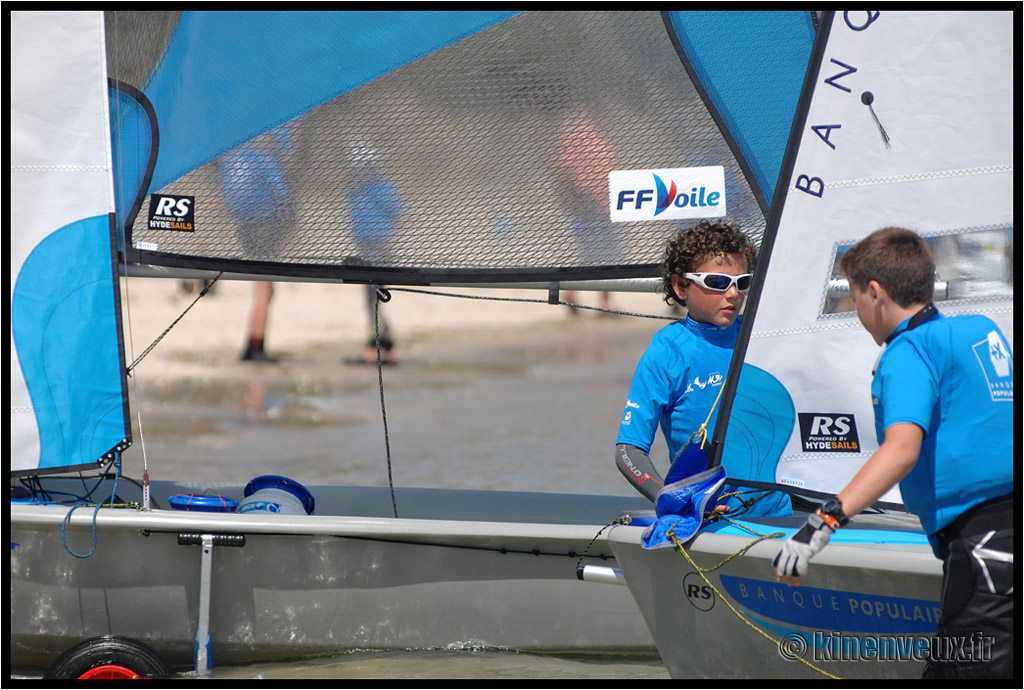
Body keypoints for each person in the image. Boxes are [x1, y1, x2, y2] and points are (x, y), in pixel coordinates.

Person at [773, 227, 1014, 679]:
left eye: (856, 297)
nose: (857, 310)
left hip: (986, 545)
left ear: (876, 292)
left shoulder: (908, 351)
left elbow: (902, 449)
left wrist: (824, 521)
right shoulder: (980, 330)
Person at [615, 219, 791, 517]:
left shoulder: (762, 338)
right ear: (680, 286)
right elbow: (628, 451)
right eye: (718, 283)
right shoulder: (666, 352)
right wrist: (671, 498)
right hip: (707, 520)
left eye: (743, 283)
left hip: (780, 518)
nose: (734, 294)